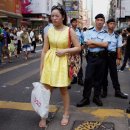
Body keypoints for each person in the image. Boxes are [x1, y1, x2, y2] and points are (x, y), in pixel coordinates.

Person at [39, 5, 81, 128]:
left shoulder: (69, 30)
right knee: (46, 92)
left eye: (57, 16)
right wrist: (41, 68)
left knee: (63, 90)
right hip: (50, 62)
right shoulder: (48, 30)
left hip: (63, 63)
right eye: (52, 16)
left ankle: (66, 114)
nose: (54, 18)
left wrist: (65, 51)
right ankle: (43, 116)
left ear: (63, 17)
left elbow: (78, 47)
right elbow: (44, 50)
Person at [77, 14, 109, 107]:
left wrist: (93, 42)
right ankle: (86, 98)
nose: (99, 22)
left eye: (101, 20)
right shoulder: (88, 32)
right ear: (95, 21)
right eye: (98, 20)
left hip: (102, 57)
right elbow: (89, 45)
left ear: (104, 22)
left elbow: (106, 45)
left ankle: (96, 97)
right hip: (91, 57)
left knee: (99, 79)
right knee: (88, 78)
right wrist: (100, 43)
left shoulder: (106, 34)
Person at [101, 18, 128, 99]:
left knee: (114, 75)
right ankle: (104, 91)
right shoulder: (103, 34)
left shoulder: (117, 35)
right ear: (107, 24)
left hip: (112, 56)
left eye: (113, 24)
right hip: (103, 56)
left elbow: (119, 47)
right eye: (110, 23)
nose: (112, 25)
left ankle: (117, 91)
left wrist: (118, 58)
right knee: (104, 74)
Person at [70, 18, 84, 86]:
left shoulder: (80, 31)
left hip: (78, 49)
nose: (75, 23)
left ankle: (80, 79)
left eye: (76, 22)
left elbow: (83, 40)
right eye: (74, 22)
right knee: (72, 64)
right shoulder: (69, 30)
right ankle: (74, 79)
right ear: (71, 23)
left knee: (79, 64)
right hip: (71, 49)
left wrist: (81, 47)